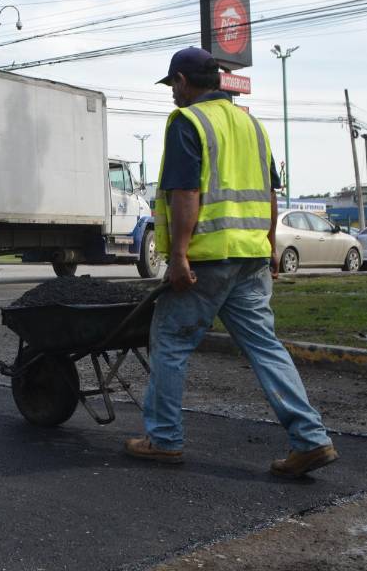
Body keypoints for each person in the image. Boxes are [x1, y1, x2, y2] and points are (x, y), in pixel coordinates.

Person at [125, 47, 337, 479]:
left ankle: (163, 439)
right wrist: (271, 247)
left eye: (173, 86)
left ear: (183, 81)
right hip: (252, 257)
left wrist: (179, 255)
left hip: (207, 258)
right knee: (265, 347)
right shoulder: (251, 125)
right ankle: (310, 438)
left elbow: (186, 195)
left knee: (169, 341)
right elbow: (271, 196)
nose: (172, 95)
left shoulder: (188, 123)